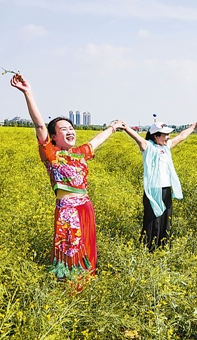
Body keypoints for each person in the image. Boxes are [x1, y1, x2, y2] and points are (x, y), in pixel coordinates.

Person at [10, 74, 126, 281]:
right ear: (53, 137)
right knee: (70, 249)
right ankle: (69, 287)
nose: (70, 131)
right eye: (64, 129)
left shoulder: (80, 153)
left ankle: (87, 282)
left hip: (86, 207)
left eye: (71, 128)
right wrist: (28, 93)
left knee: (87, 248)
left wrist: (113, 127)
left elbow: (96, 142)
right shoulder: (50, 154)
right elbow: (39, 126)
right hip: (67, 209)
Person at [124, 120, 197, 250]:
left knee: (166, 218)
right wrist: (126, 128)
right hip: (153, 190)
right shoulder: (148, 146)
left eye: (168, 134)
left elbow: (181, 136)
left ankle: (162, 246)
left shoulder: (166, 147)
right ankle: (148, 247)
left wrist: (194, 126)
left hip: (166, 188)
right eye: (165, 135)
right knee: (151, 219)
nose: (168, 137)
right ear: (156, 136)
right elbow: (137, 138)